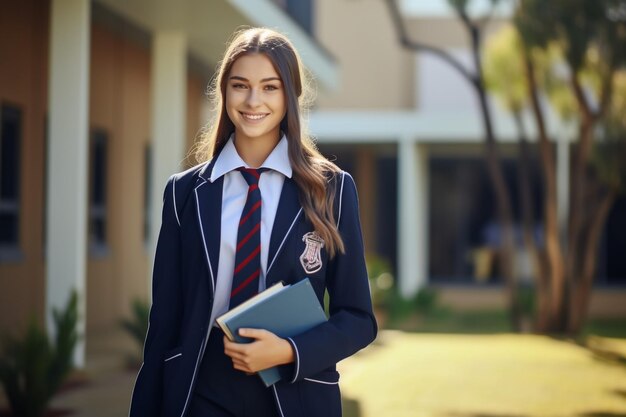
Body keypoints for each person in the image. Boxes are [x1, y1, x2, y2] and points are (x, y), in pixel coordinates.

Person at [129, 27, 377, 417]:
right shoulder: (185, 193)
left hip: (293, 389)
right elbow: (163, 324)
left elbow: (358, 319)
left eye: (270, 87)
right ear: (224, 92)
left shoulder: (332, 189)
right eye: (240, 85)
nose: (253, 100)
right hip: (200, 388)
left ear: (290, 95)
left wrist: (289, 352)